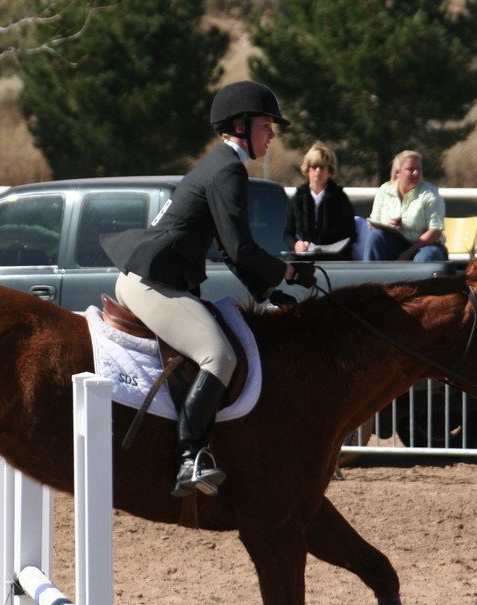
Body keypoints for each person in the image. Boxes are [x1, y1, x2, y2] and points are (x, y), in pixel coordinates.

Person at [100, 81, 316, 498]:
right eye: (267, 125)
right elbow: (241, 248)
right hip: (151, 283)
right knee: (219, 355)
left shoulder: (220, 165)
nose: (273, 134)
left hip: (148, 276)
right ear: (241, 125)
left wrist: (268, 291)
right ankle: (189, 456)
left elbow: (231, 252)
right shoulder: (227, 169)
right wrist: (287, 273)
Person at [366, 150, 447, 261]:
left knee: (426, 257)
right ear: (397, 172)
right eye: (411, 169)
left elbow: (435, 231)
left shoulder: (430, 193)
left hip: (426, 246)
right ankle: (370, 277)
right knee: (374, 237)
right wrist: (388, 227)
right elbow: (374, 226)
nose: (416, 173)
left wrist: (408, 253)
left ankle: (421, 278)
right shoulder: (384, 191)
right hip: (396, 244)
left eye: (419, 169)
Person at [283, 143, 356, 259]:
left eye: (322, 167)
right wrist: (296, 245)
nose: (317, 171)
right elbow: (288, 233)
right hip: (305, 255)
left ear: (330, 170)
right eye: (313, 166)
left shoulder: (340, 197)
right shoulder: (298, 197)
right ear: (307, 169)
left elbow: (350, 233)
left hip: (334, 257)